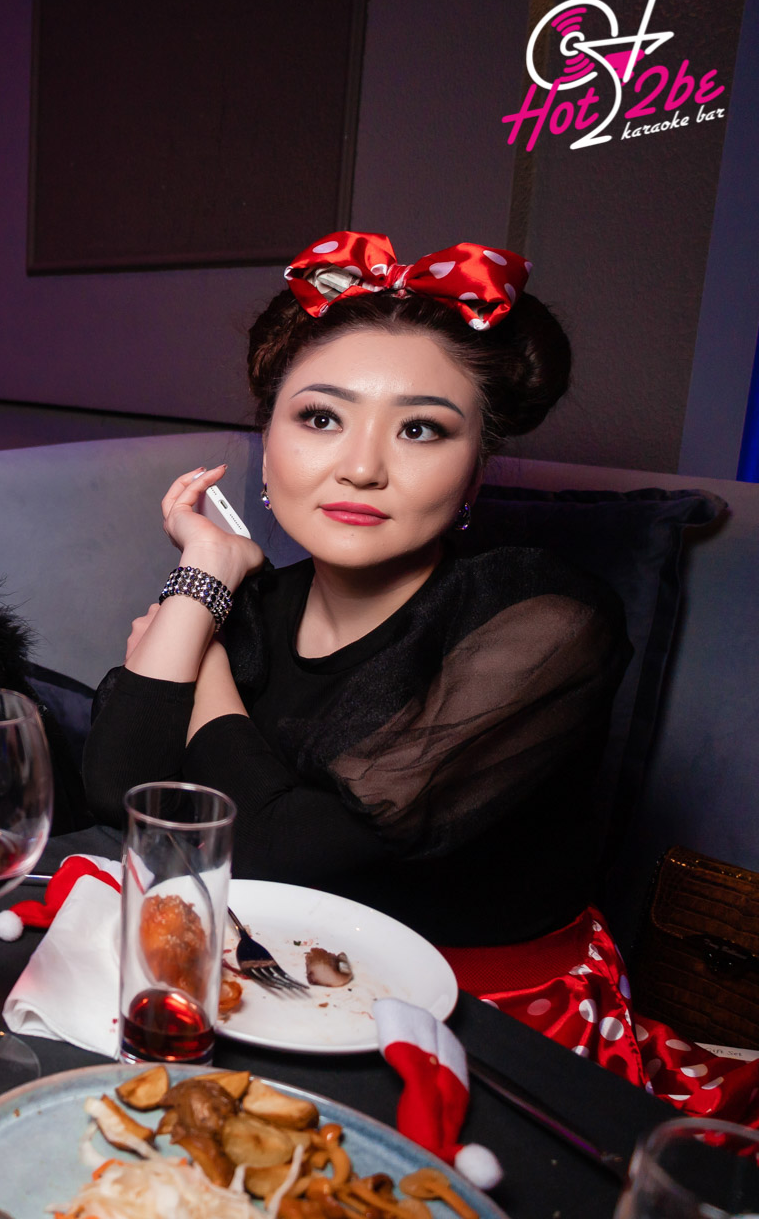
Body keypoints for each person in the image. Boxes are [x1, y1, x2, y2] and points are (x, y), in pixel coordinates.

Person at [84, 232, 628, 946]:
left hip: (482, 999)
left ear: (476, 469)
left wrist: (202, 658)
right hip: (267, 970)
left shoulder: (545, 623)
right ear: (267, 446)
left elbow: (282, 858)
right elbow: (118, 791)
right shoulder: (257, 604)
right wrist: (207, 568)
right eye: (321, 419)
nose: (363, 468)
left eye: (420, 429)